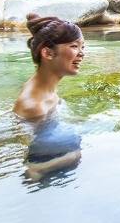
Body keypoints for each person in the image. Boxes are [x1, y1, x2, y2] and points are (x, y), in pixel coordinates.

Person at [13, 13, 85, 180]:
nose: (82, 54)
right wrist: (71, 157)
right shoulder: (34, 106)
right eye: (74, 46)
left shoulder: (44, 88)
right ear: (48, 53)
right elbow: (23, 158)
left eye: (83, 47)